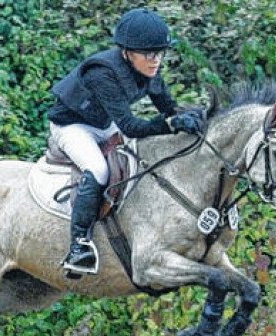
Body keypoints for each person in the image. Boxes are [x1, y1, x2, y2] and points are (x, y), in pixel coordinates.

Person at [48, 7, 204, 277]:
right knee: (99, 170)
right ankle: (79, 244)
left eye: (160, 53)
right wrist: (170, 125)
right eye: (148, 54)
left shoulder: (149, 70)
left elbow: (169, 107)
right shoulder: (102, 73)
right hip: (72, 126)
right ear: (126, 52)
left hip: (103, 124)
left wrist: (196, 117)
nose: (155, 60)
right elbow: (132, 126)